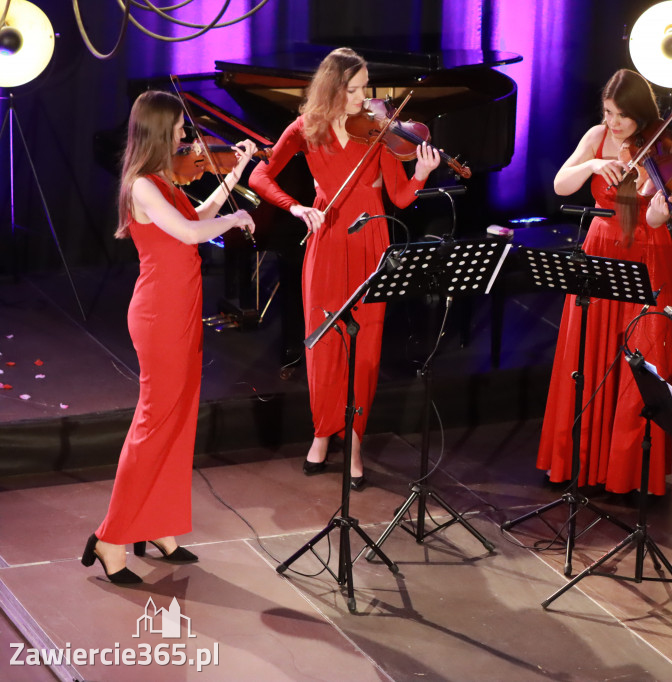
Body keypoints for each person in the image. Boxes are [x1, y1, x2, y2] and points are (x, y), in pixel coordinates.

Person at [82, 90, 257, 584]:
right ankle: (111, 538)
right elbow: (189, 233)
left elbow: (195, 218)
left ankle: (157, 525)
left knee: (178, 421)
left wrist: (234, 178)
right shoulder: (141, 185)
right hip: (159, 316)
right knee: (154, 425)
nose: (186, 133)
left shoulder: (164, 180)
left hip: (182, 311)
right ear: (161, 130)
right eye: (180, 127)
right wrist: (235, 218)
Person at [249, 48, 440, 488]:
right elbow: (260, 176)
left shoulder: (378, 131)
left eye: (365, 88)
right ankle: (322, 432)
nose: (363, 98)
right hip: (327, 241)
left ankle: (353, 441)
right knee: (322, 346)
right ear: (333, 89)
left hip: (371, 242)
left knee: (365, 350)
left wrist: (422, 173)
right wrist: (295, 207)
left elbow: (400, 198)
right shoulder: (306, 128)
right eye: (353, 89)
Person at [536, 69, 672, 496]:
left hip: (646, 251)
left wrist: (660, 212)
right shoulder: (597, 136)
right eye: (608, 112)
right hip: (600, 246)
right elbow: (562, 185)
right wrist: (594, 164)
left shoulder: (662, 146)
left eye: (622, 116)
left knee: (642, 354)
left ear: (640, 114)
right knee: (587, 352)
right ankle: (581, 461)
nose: (613, 123)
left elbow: (652, 217)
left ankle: (625, 473)